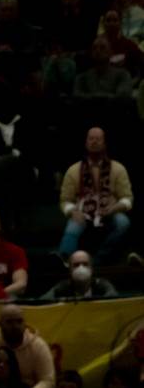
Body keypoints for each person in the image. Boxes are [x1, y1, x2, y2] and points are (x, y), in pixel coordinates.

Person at [58, 127, 133, 263]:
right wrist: (73, 212)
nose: (94, 142)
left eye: (98, 139)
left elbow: (127, 198)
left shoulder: (118, 169)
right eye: (91, 139)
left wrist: (114, 208)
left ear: (104, 144)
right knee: (73, 226)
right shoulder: (74, 170)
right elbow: (65, 200)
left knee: (123, 222)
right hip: (82, 212)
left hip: (110, 212)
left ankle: (98, 260)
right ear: (86, 143)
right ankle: (64, 260)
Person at [0, 304, 55, 388]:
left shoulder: (38, 346)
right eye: (9, 322)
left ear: (25, 323)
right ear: (0, 324)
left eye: (19, 321)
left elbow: (48, 381)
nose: (15, 326)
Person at [42, 251, 118, 299]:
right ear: (70, 269)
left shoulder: (102, 285)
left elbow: (113, 299)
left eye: (85, 264)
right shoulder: (61, 287)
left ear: (91, 268)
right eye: (76, 265)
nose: (81, 268)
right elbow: (43, 301)